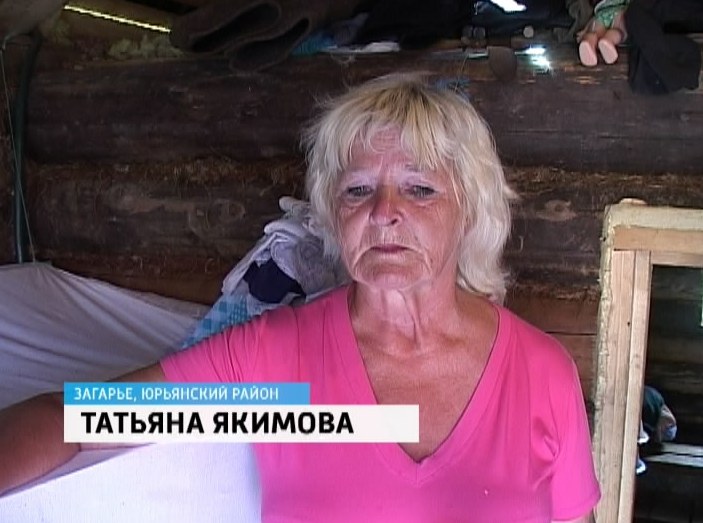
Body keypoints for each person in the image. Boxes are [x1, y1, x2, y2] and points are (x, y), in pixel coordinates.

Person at [0, 73, 600, 522]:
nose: (384, 212)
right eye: (358, 190)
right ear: (333, 214)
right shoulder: (274, 366)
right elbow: (75, 420)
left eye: (419, 189)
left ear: (469, 210)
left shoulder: (540, 374)